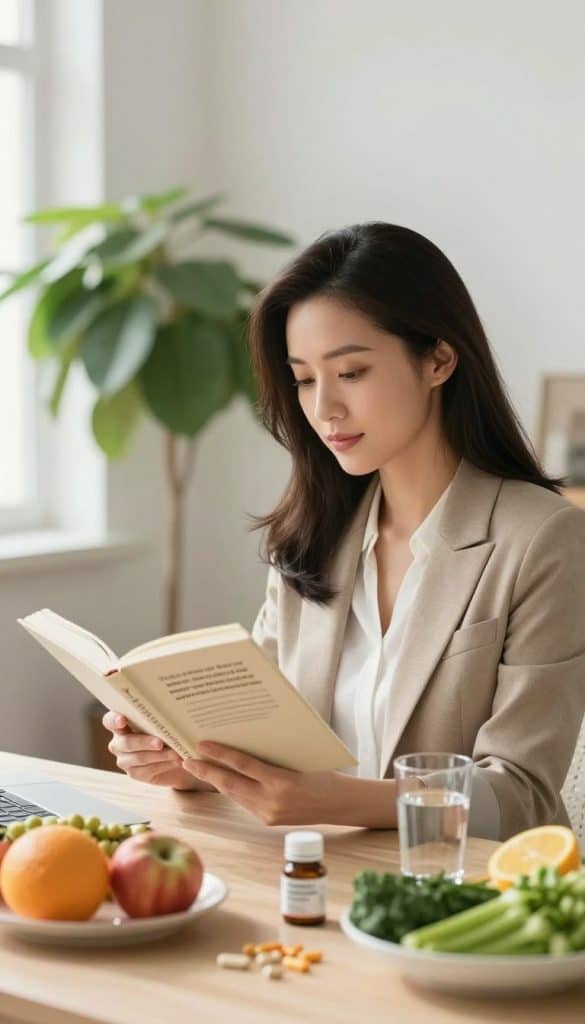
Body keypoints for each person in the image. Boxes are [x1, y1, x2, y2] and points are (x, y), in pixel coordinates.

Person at [103, 222, 585, 840]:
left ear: (438, 359)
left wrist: (335, 801)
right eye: (304, 378)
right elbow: (269, 743)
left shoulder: (544, 539)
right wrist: (190, 762)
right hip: (316, 873)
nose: (324, 408)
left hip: (469, 897)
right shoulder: (312, 535)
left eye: (351, 372)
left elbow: (519, 795)